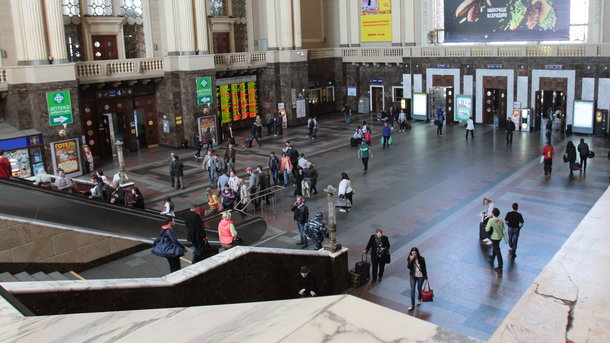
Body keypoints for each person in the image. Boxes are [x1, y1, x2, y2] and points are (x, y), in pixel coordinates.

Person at [485, 208, 508, 273]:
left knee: (498, 252)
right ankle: (492, 257)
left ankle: (500, 267)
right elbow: (503, 230)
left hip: (494, 237)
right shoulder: (500, 220)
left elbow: (487, 229)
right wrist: (506, 239)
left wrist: (486, 228)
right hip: (499, 237)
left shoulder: (491, 220)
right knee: (496, 247)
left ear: (493, 213)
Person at [406, 247, 428, 311]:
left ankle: (419, 298)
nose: (413, 255)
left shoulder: (421, 259)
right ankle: (412, 305)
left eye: (415, 253)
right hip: (413, 276)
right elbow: (408, 267)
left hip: (420, 276)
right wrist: (411, 260)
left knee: (419, 288)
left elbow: (424, 268)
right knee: (412, 290)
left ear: (417, 253)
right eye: (412, 253)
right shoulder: (410, 258)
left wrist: (426, 277)